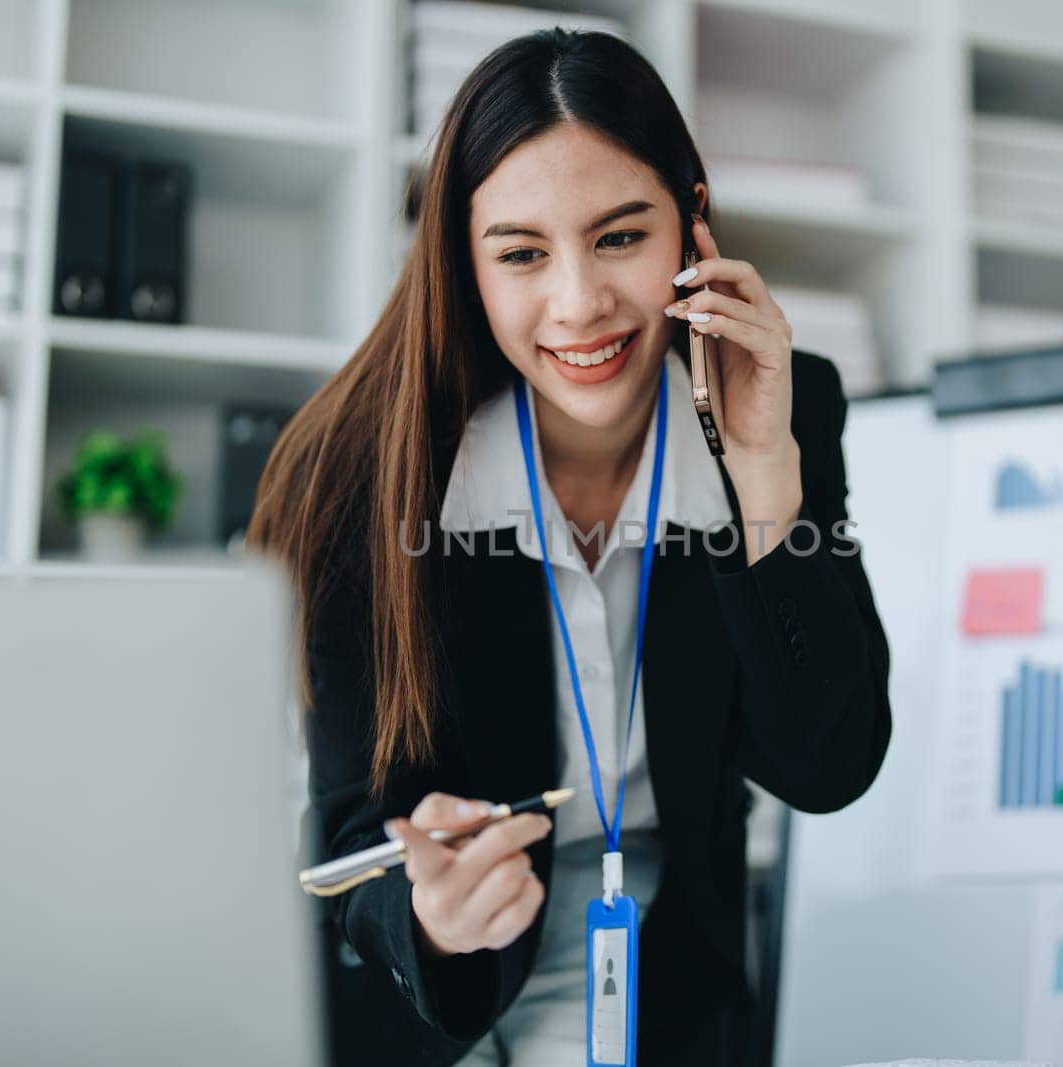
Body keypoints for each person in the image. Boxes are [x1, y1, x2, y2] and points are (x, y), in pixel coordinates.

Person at [249, 26, 892, 1067]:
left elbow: (825, 763)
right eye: (520, 254)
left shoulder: (786, 398)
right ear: (464, 263)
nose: (578, 302)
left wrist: (763, 470)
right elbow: (347, 838)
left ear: (689, 225)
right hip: (440, 1005)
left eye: (620, 237)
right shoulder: (358, 468)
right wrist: (431, 914)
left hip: (673, 993)